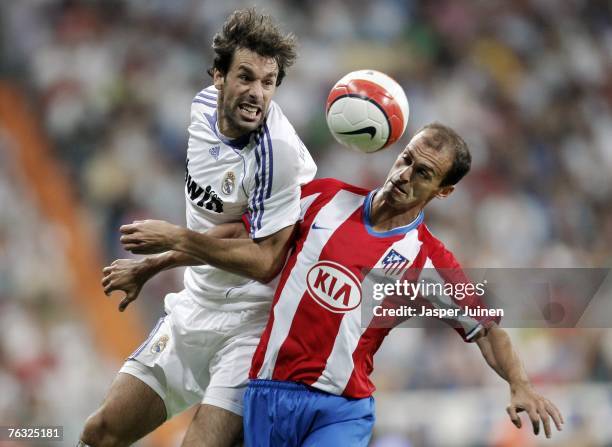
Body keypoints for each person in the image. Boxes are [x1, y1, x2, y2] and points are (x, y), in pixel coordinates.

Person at [118, 123, 564, 445]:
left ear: (443, 191)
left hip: (341, 408)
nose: (405, 175)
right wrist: (155, 264)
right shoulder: (325, 197)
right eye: (406, 159)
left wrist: (519, 384)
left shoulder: (429, 262)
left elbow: (486, 330)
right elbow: (240, 233)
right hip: (267, 391)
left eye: (424, 173)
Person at [79, 8, 316, 447]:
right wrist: (153, 267)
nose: (257, 93)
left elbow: (265, 259)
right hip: (194, 305)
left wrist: (173, 239)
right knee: (101, 433)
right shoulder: (200, 109)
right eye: (246, 77)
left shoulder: (275, 153)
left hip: (253, 324)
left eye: (268, 82)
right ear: (217, 77)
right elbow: (227, 230)